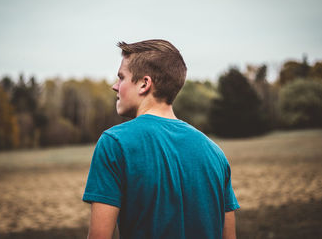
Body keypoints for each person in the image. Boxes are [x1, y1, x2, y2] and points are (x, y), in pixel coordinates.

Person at [83, 39, 240, 239]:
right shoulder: (215, 153)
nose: (115, 86)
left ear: (144, 84)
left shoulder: (115, 143)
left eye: (121, 78)